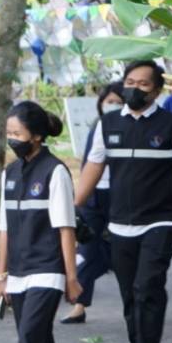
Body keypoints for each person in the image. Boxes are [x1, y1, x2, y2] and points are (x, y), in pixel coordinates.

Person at [75, 59, 172, 343]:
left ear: (158, 90)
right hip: (119, 222)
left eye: (143, 84)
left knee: (147, 285)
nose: (134, 89)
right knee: (129, 292)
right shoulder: (108, 125)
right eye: (129, 82)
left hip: (161, 220)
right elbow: (92, 168)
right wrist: (70, 209)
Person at [0, 101, 80, 343]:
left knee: (30, 337)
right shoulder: (9, 175)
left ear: (38, 136)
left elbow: (65, 228)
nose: (12, 140)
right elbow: (5, 229)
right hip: (17, 273)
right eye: (9, 134)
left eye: (17, 134)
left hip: (48, 272)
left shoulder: (55, 171)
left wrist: (71, 277)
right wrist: (1, 276)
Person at [61, 82, 125, 326]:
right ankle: (80, 305)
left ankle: (137, 300)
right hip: (92, 197)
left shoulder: (131, 130)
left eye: (118, 102)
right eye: (108, 101)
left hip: (122, 197)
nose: (112, 106)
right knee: (86, 250)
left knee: (123, 251)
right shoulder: (97, 127)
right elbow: (88, 163)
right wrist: (78, 201)